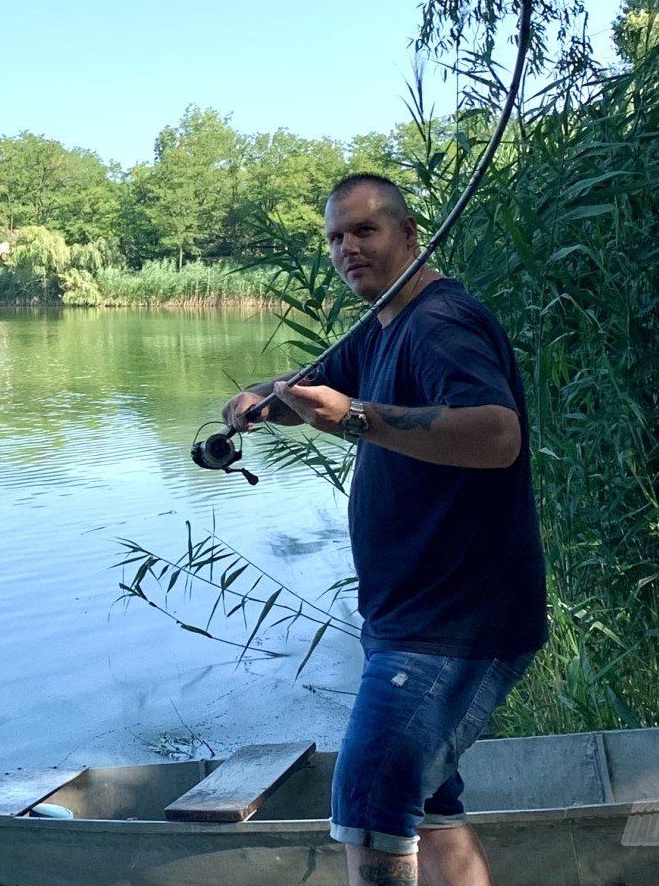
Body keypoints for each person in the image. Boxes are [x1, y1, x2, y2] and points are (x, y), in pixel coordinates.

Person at [221, 173, 547, 886]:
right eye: (336, 236)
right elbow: (312, 389)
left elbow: (497, 435)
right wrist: (261, 400)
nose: (347, 249)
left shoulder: (439, 322)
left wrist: (357, 419)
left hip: (454, 623)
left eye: (364, 231)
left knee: (369, 799)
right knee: (429, 812)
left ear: (409, 232)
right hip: (409, 615)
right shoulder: (381, 328)